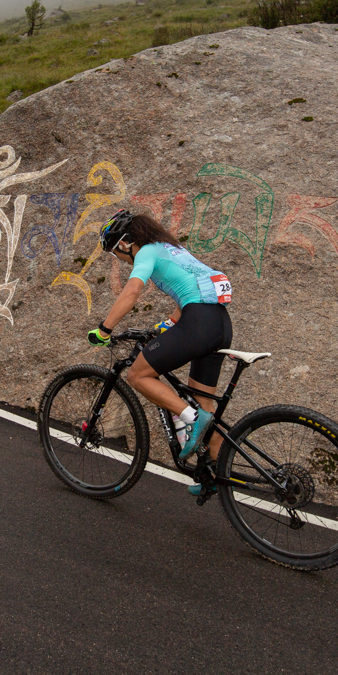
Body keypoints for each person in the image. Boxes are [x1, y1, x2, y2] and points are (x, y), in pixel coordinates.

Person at [87, 209, 234, 493]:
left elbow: (131, 292)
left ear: (125, 243)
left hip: (199, 322)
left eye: (115, 251)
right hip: (219, 323)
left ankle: (190, 419)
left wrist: (104, 329)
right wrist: (165, 326)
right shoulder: (173, 249)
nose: (118, 258)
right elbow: (193, 293)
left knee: (138, 375)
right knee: (203, 401)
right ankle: (214, 474)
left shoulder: (147, 253)